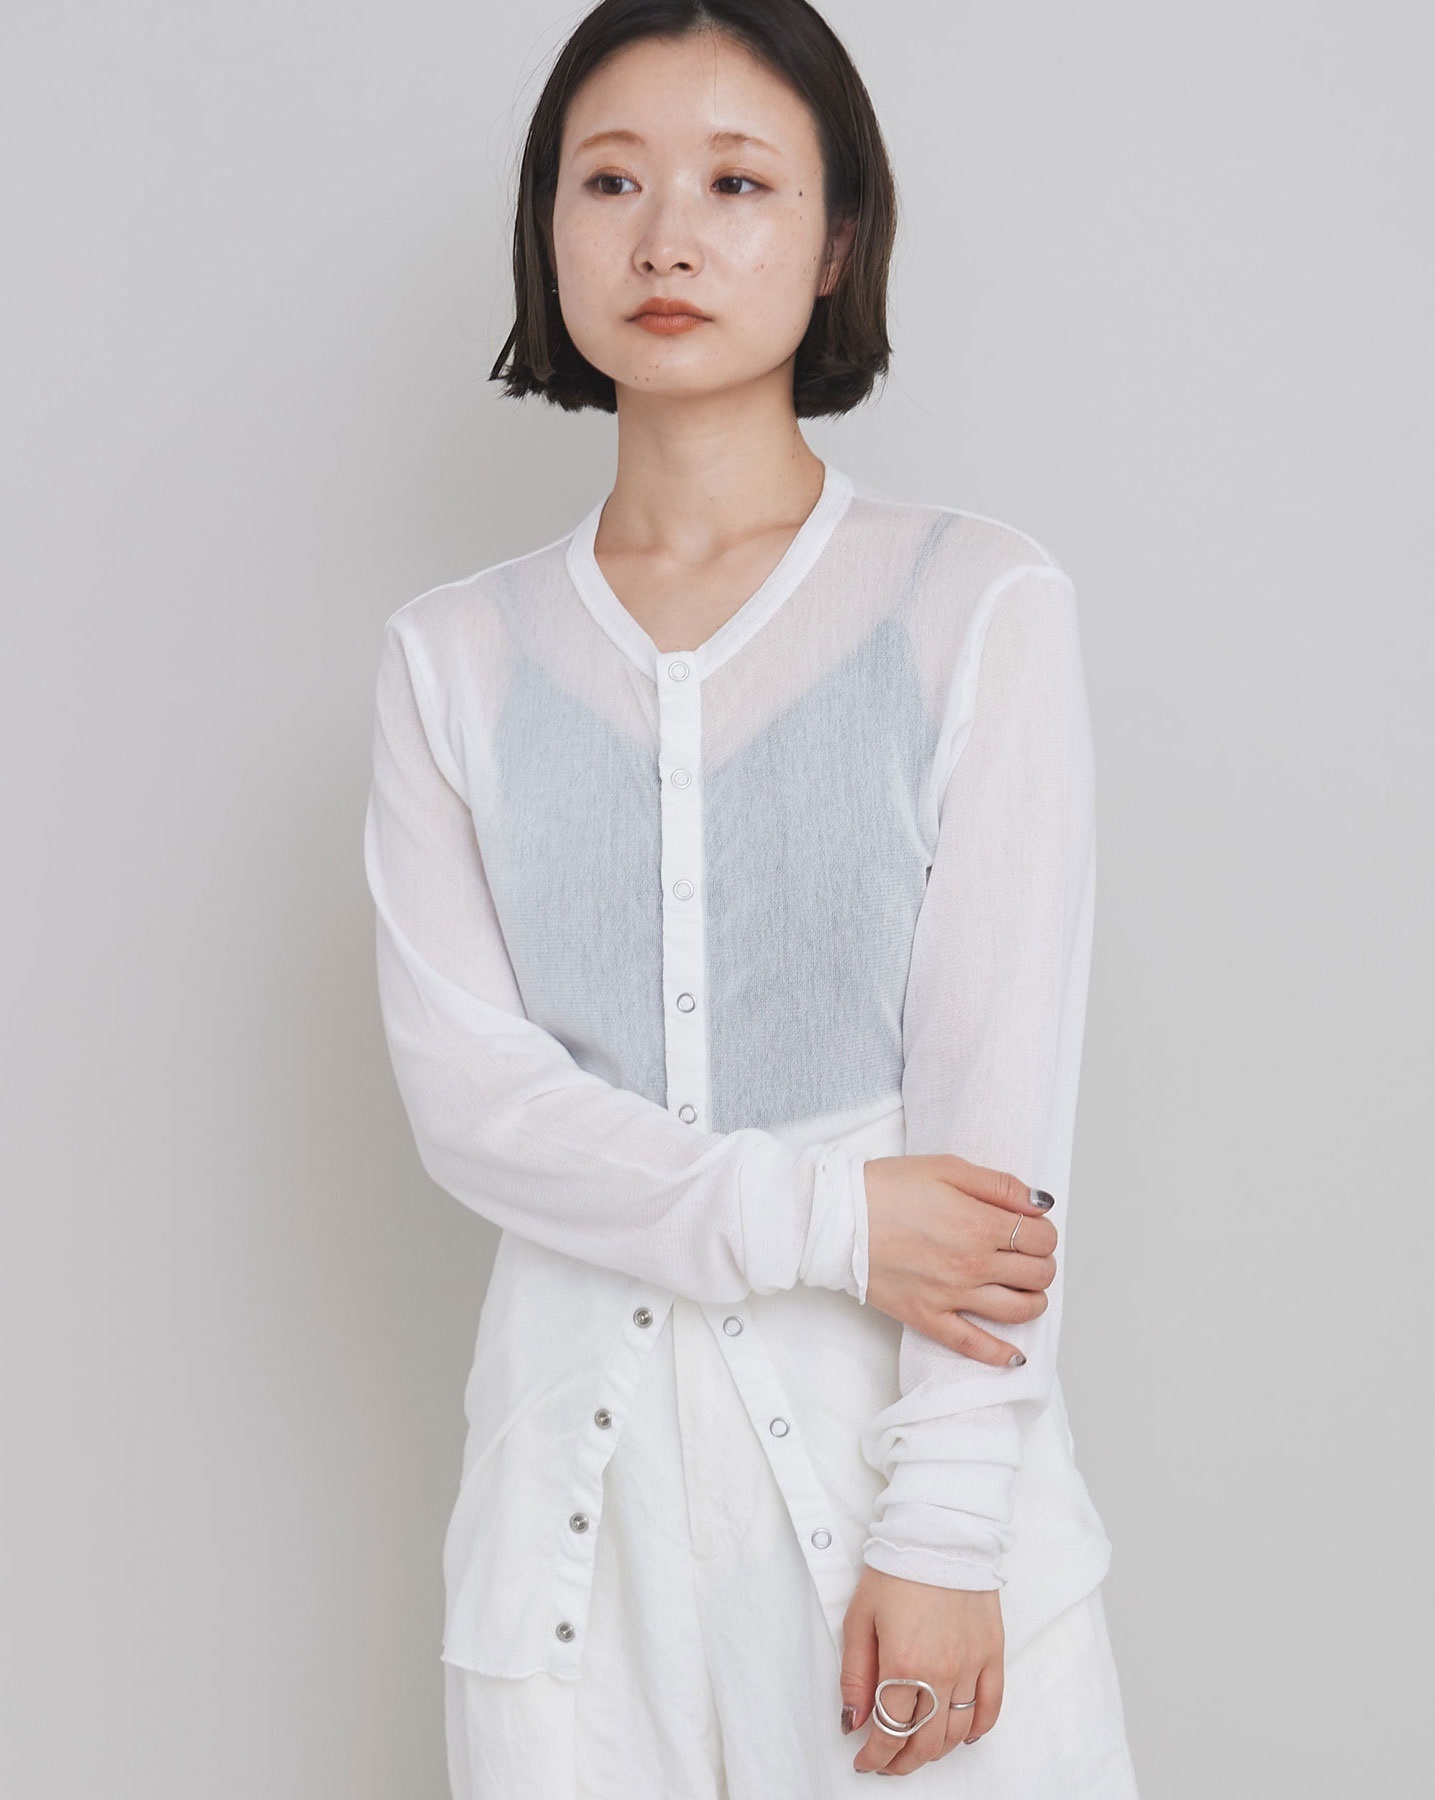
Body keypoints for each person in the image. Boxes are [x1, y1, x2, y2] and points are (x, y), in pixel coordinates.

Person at [362, 1, 1140, 1793]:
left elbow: (996, 1117)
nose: (666, 238)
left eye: (738, 182)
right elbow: (475, 1104)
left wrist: (948, 1529)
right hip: (575, 1546)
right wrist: (832, 1218)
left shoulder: (973, 604)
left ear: (838, 236)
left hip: (897, 1503)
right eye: (609, 181)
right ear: (547, 226)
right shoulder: (451, 656)